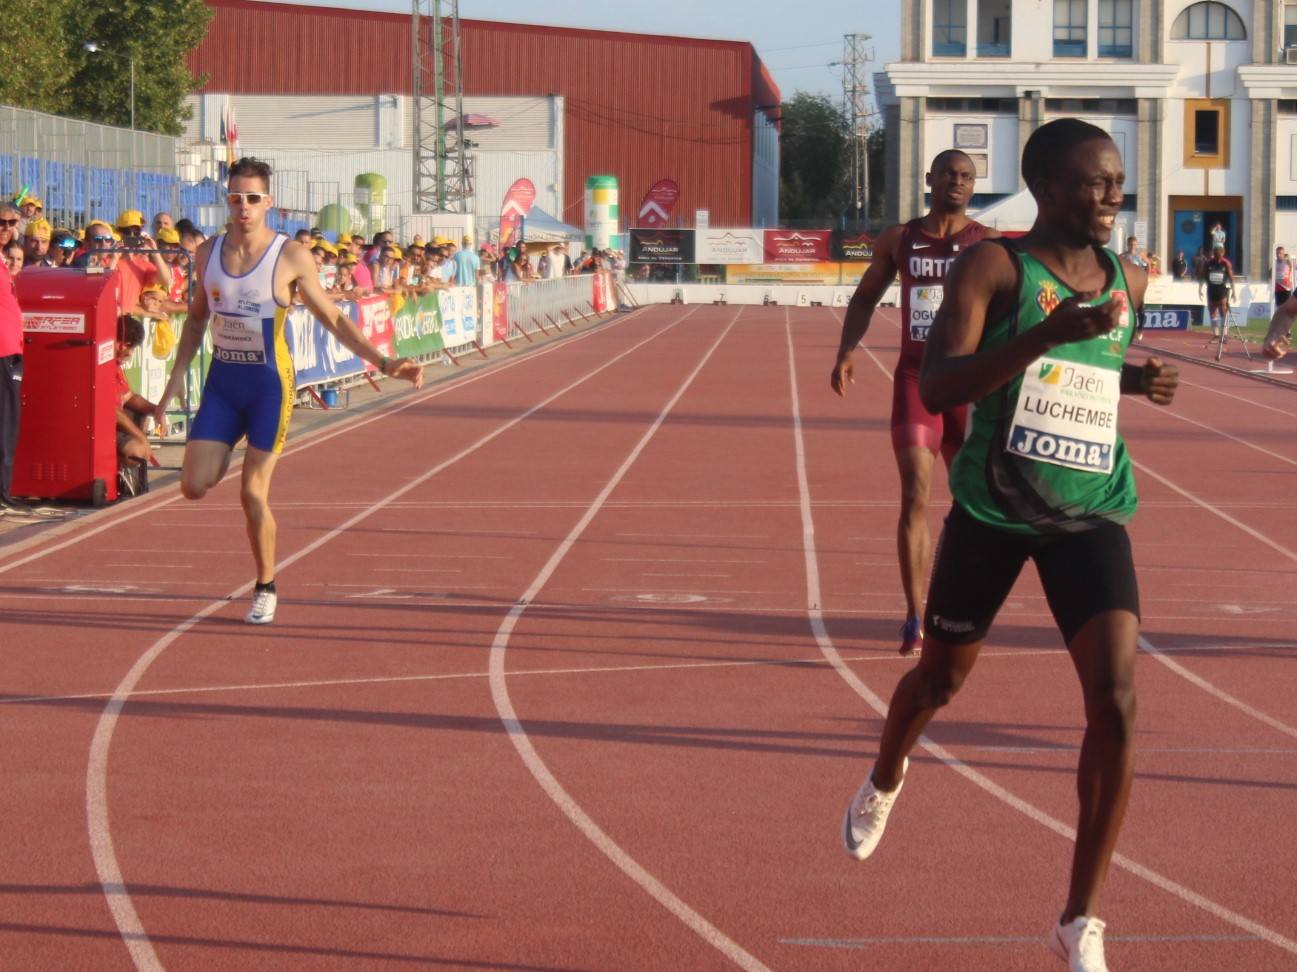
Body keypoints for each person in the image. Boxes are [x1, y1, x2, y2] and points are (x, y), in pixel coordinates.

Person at [840, 119, 1180, 972]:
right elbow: (943, 379)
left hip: (1090, 510)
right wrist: (1042, 335)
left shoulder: (1126, 277)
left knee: (1117, 700)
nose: (1112, 197)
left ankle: (1080, 920)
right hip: (993, 511)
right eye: (1095, 183)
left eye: (1117, 182)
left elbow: (1091, 370)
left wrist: (1139, 378)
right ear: (1046, 187)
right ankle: (886, 772)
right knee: (939, 681)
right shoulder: (991, 267)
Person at [152, 157, 423, 624]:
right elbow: (196, 318)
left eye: (253, 199)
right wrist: (171, 386)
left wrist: (384, 361)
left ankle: (266, 586)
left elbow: (334, 317)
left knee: (252, 495)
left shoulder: (290, 256)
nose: (243, 207)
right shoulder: (207, 253)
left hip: (268, 388)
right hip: (222, 383)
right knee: (193, 486)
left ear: (268, 203)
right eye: (235, 198)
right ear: (228, 199)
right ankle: (222, 447)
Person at [831, 149, 998, 656]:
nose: (957, 182)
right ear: (929, 179)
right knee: (915, 495)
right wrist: (846, 350)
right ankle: (914, 613)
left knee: (978, 504)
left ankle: (963, 605)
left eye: (966, 176)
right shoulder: (900, 239)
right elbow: (864, 297)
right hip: (917, 380)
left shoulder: (987, 245)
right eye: (948, 173)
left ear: (974, 186)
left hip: (968, 386)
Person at [113, 315, 165, 496]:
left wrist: (156, 410)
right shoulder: (103, 365)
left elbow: (128, 397)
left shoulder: (116, 366)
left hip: (115, 426)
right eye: (131, 348)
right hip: (101, 430)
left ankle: (134, 485)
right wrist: (141, 439)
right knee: (137, 448)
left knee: (141, 412)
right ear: (123, 344)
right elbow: (112, 412)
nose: (130, 354)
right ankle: (129, 485)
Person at [0, 201, 23, 515]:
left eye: (10, 223)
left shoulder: (5, 262)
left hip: (11, 349)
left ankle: (4, 489)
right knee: (6, 422)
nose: (6, 229)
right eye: (1, 222)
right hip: (2, 351)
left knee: (9, 422)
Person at [1198, 244, 1234, 335]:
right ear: (1214, 253)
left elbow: (1231, 278)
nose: (1218, 256)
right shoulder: (1208, 263)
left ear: (1223, 253)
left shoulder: (1226, 263)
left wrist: (1234, 292)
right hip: (1211, 290)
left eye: (1220, 253)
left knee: (1223, 311)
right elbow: (1202, 276)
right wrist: (1200, 289)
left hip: (1222, 290)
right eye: (1216, 253)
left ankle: (1224, 334)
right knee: (1212, 312)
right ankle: (1216, 335)